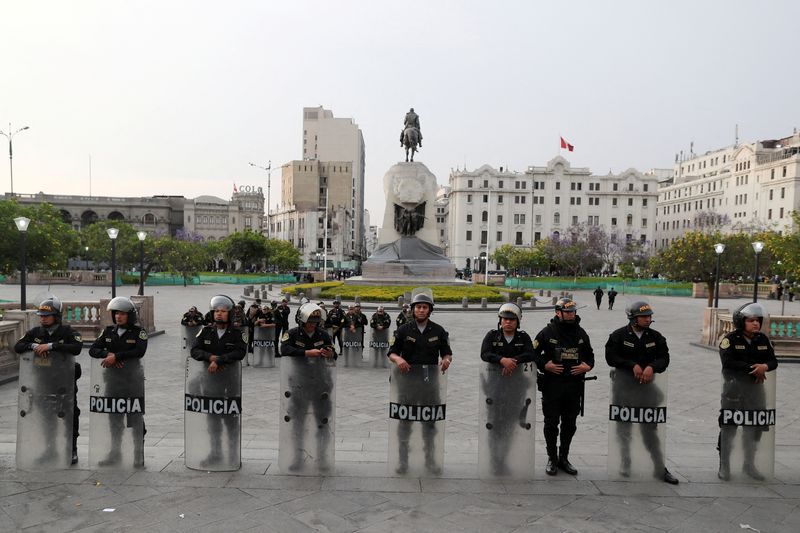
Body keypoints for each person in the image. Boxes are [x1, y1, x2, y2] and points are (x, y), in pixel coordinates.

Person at [605, 301, 679, 484]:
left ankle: (660, 467)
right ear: (633, 318)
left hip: (648, 392)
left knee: (650, 432)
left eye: (649, 316)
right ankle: (625, 461)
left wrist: (652, 367)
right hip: (624, 391)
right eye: (644, 317)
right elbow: (611, 357)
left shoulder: (656, 337)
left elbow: (665, 358)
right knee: (624, 430)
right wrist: (632, 365)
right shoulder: (618, 335)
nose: (648, 319)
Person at [387, 293, 453, 474]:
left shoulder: (439, 331)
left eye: (425, 307)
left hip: (429, 384)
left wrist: (446, 360)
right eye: (418, 307)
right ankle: (402, 461)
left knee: (430, 423)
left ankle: (430, 460)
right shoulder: (403, 330)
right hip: (407, 383)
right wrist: (398, 360)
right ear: (413, 309)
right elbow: (391, 352)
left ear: (430, 310)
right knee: (404, 423)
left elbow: (447, 352)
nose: (421, 310)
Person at [14, 297, 83, 465]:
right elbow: (18, 346)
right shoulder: (35, 333)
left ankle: (71, 449)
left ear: (56, 316)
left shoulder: (68, 332)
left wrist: (51, 346)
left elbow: (76, 348)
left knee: (69, 416)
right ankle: (49, 449)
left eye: (47, 315)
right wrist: (33, 347)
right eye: (41, 315)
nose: (43, 318)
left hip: (63, 383)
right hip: (43, 382)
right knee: (46, 417)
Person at [533, 297, 594, 476]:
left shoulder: (581, 333)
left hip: (574, 385)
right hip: (553, 385)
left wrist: (587, 366)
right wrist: (545, 365)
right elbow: (532, 353)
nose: (570, 315)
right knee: (551, 423)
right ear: (558, 313)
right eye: (567, 312)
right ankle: (552, 457)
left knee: (570, 423)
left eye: (573, 311)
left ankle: (564, 457)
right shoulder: (547, 332)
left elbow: (590, 356)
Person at [717, 302, 777, 481]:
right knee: (729, 429)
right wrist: (755, 368)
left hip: (756, 391)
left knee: (754, 428)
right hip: (733, 391)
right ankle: (724, 466)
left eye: (758, 320)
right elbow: (728, 363)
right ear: (741, 321)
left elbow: (773, 361)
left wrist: (765, 366)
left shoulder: (762, 340)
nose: (756, 324)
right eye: (751, 320)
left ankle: (749, 465)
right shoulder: (730, 339)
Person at [88, 297, 147, 467]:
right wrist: (107, 355)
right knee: (114, 419)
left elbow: (139, 351)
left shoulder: (138, 332)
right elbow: (93, 349)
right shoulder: (108, 332)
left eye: (122, 314)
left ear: (130, 316)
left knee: (135, 419)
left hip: (132, 382)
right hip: (112, 381)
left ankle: (138, 454)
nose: (118, 317)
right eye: (116, 314)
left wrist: (118, 356)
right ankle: (115, 453)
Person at [190, 295, 247, 467]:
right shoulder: (206, 331)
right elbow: (194, 350)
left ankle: (232, 454)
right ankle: (215, 453)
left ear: (229, 314)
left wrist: (220, 360)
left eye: (223, 311)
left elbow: (240, 352)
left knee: (231, 420)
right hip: (210, 382)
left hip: (230, 384)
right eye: (216, 311)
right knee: (213, 420)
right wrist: (210, 357)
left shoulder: (238, 333)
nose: (219, 314)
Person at [479, 303, 535, 476]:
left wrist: (514, 361)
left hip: (516, 389)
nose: (508, 323)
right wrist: (502, 360)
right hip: (495, 389)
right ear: (500, 321)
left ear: (517, 322)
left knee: (510, 427)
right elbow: (485, 353)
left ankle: (504, 459)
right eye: (505, 319)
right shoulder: (492, 336)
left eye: (512, 320)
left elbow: (531, 354)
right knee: (495, 426)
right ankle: (494, 460)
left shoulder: (523, 337)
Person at [279, 303, 336, 471]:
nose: (312, 325)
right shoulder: (292, 334)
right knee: (298, 422)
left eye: (315, 322)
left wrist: (330, 353)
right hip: (299, 384)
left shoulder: (323, 335)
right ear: (301, 320)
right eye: (309, 321)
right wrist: (306, 353)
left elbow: (334, 352)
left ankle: (322, 457)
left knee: (322, 422)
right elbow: (284, 350)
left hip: (321, 384)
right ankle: (297, 457)